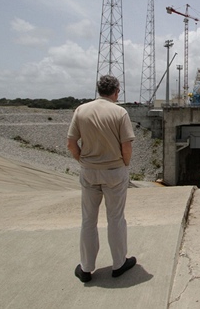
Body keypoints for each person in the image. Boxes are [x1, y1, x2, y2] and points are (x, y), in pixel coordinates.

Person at [67, 75, 137, 283]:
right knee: (115, 218)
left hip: (89, 171)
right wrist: (124, 164)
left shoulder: (81, 110)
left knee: (88, 219)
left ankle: (86, 268)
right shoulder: (120, 112)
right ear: (116, 91)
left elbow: (71, 143)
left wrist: (84, 161)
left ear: (99, 90)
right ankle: (118, 264)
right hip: (114, 170)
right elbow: (127, 146)